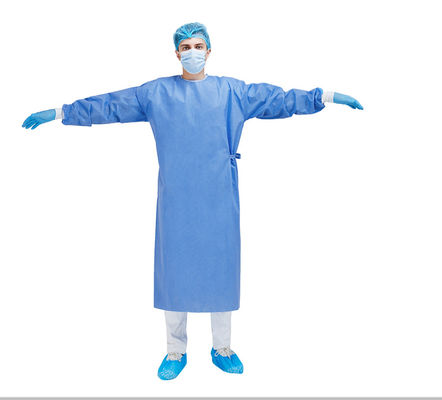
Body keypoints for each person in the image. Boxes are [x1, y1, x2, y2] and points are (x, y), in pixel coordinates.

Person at [22, 22, 363, 380]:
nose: (192, 52)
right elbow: (111, 106)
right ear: (176, 54)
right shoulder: (157, 94)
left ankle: (222, 348)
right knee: (175, 271)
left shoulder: (232, 92)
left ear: (209, 51)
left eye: (198, 46)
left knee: (221, 269)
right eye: (185, 47)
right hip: (177, 200)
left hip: (219, 196)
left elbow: (279, 99)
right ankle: (175, 350)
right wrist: (61, 112)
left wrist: (324, 97)